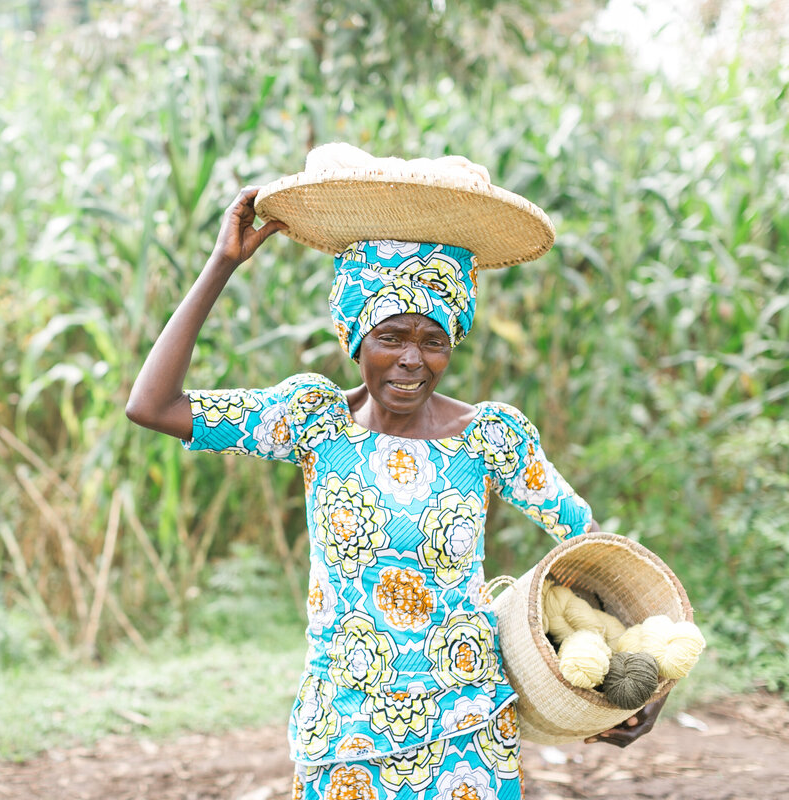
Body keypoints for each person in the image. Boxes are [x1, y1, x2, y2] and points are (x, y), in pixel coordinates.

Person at [126, 148, 664, 800]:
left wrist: (637, 683)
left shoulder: (489, 437)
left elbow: (595, 553)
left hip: (469, 732)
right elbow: (151, 406)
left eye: (433, 340)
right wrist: (223, 265)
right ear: (356, 337)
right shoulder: (312, 422)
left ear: (454, 341)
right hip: (344, 735)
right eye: (391, 336)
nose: (413, 360)